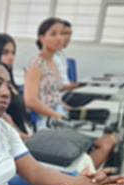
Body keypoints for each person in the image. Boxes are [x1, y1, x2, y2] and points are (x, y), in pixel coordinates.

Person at [23, 18, 117, 168]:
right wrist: (58, 115)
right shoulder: (36, 65)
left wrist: (66, 108)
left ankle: (81, 176)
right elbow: (30, 101)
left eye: (61, 33)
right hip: (49, 124)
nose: (60, 38)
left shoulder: (52, 61)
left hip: (60, 116)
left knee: (110, 138)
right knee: (107, 142)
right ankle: (78, 178)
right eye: (53, 34)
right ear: (42, 37)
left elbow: (53, 95)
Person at [0, 33, 32, 140]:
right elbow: (3, 124)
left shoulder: (9, 80)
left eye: (12, 52)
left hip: (24, 133)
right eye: (5, 53)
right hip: (11, 139)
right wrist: (29, 139)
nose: (11, 57)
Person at [54, 19, 79, 92]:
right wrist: (73, 85)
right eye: (65, 33)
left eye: (70, 34)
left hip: (65, 94)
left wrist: (73, 84)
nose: (68, 38)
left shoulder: (61, 55)